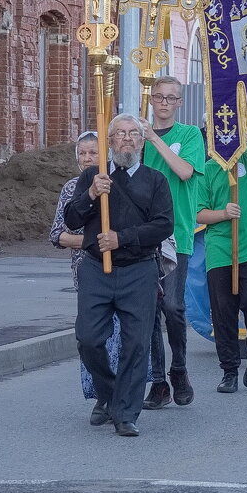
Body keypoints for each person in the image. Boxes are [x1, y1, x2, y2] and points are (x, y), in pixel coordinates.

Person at [64, 115, 174, 437]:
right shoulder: (92, 177)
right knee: (88, 338)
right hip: (96, 270)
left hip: (138, 270)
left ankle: (126, 414)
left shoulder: (155, 181)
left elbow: (163, 225)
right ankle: (110, 393)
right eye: (119, 134)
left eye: (133, 134)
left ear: (141, 142)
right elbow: (71, 220)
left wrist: (122, 238)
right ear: (108, 142)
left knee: (136, 344)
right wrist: (91, 196)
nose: (126, 139)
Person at [52, 130, 153, 410]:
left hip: (127, 270)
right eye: (82, 154)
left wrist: (119, 241)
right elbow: (58, 233)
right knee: (92, 339)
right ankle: (103, 396)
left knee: (125, 339)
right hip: (89, 270)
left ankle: (124, 400)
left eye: (93, 153)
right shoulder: (73, 187)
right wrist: (92, 242)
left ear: (105, 154)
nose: (87, 159)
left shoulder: (125, 180)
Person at [140, 76, 205, 410]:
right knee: (149, 311)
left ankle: (178, 368)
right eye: (159, 97)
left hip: (176, 234)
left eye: (171, 98)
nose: (164, 103)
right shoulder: (138, 139)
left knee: (172, 307)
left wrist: (152, 138)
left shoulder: (190, 135)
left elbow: (184, 172)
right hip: (142, 237)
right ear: (151, 100)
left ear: (179, 103)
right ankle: (158, 382)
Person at [197, 150, 247, 394]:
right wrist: (223, 214)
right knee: (223, 312)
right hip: (221, 248)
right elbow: (198, 212)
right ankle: (229, 370)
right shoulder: (207, 169)